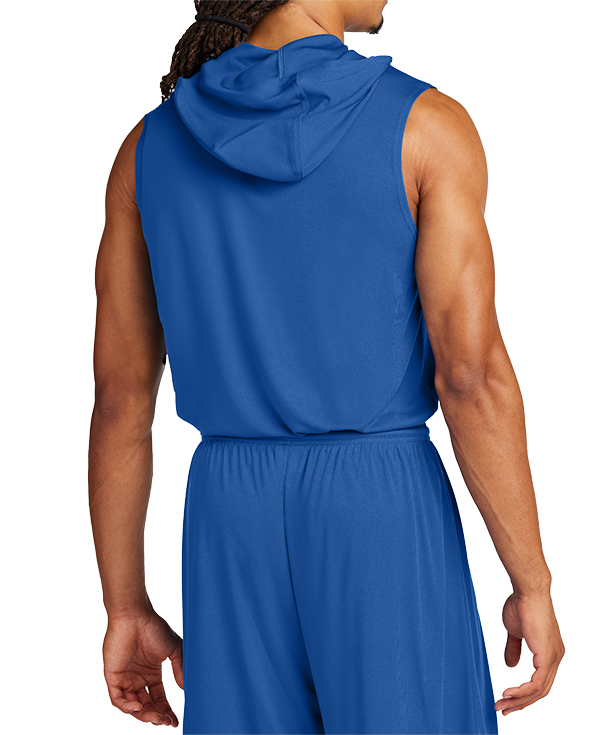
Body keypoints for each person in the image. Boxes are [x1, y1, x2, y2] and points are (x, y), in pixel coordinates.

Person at [88, 1, 565, 733]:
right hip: (379, 505)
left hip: (228, 516)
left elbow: (120, 399)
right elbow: (471, 377)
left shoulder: (148, 149)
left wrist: (124, 607)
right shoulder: (424, 129)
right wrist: (531, 581)